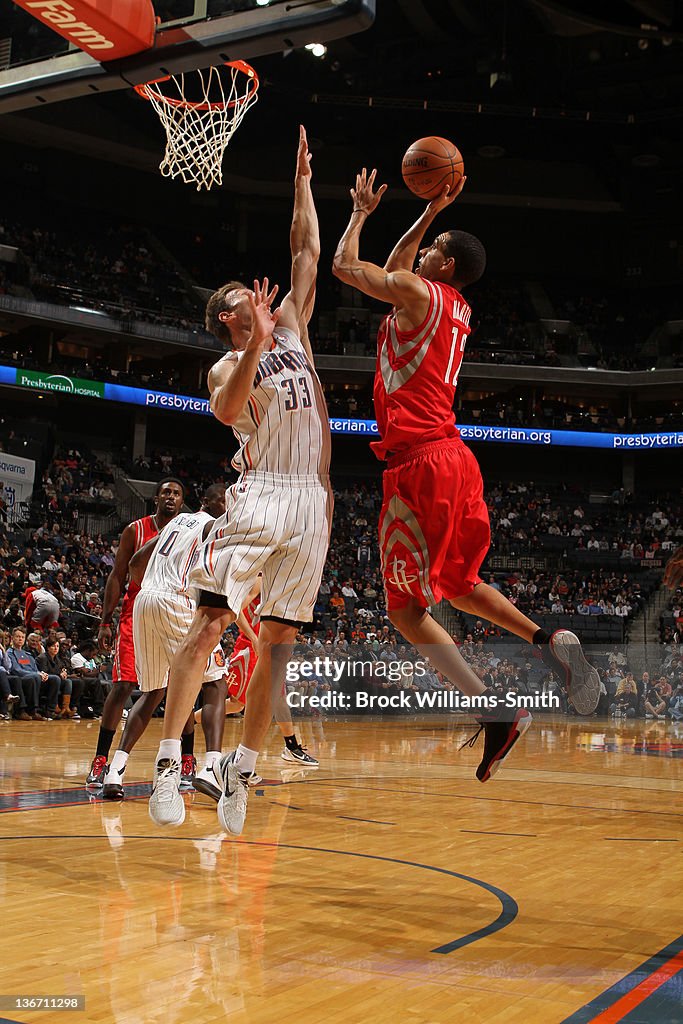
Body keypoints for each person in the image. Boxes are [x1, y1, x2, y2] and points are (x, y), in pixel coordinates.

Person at [332, 167, 600, 781]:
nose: (422, 253)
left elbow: (349, 267)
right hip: (456, 458)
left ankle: (491, 709)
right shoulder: (454, 305)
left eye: (433, 250)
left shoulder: (420, 295)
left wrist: (361, 213)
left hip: (419, 464)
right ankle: (545, 638)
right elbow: (404, 263)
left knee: (404, 610)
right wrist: (427, 214)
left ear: (445, 266)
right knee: (457, 583)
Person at [149, 125, 331, 833]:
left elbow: (306, 250)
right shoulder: (228, 364)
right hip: (260, 497)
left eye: (261, 301)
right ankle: (168, 763)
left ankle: (242, 775)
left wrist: (302, 184)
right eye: (244, 301)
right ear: (228, 317)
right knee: (209, 625)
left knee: (279, 645)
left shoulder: (293, 330)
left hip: (311, 504)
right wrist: (254, 344)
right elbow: (228, 412)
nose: (263, 301)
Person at [102, 484, 228, 801]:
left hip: (145, 600)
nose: (229, 506)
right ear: (209, 503)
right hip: (176, 601)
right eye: (224, 500)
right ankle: (212, 767)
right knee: (216, 681)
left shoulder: (177, 522)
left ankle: (115, 770)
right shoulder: (215, 527)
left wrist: (157, 585)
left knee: (154, 689)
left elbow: (134, 565)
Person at [86, 478, 185, 787]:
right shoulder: (136, 529)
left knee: (179, 686)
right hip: (136, 610)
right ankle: (101, 758)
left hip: (175, 611)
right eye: (166, 492)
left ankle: (190, 760)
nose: (170, 497)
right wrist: (105, 619)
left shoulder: (188, 533)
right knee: (124, 683)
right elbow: (117, 575)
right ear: (156, 497)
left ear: (182, 502)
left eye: (177, 493)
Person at [193, 576, 319, 801]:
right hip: (252, 646)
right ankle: (288, 747)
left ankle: (190, 721)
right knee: (265, 698)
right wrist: (254, 638)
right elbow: (237, 610)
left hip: (264, 645)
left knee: (248, 702)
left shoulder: (268, 579)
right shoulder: (260, 579)